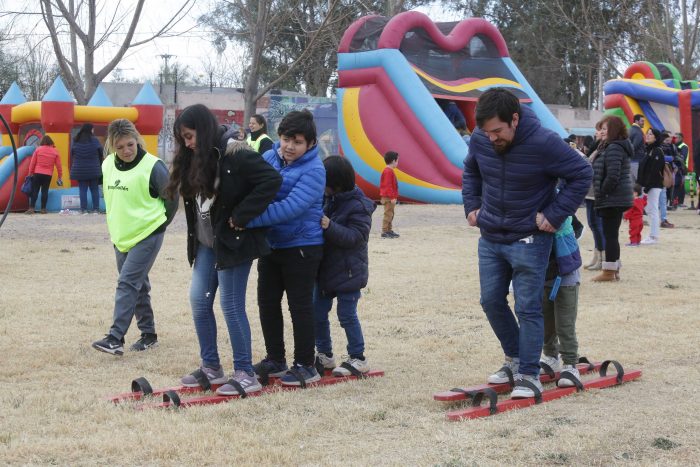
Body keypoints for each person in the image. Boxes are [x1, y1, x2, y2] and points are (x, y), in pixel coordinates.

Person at [462, 88, 592, 398]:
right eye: (486, 131)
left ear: (515, 119)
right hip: (491, 236)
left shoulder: (544, 142)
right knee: (490, 301)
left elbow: (581, 173)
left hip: (530, 239)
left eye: (498, 131)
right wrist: (471, 204)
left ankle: (529, 375)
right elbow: (471, 170)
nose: (492, 138)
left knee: (528, 307)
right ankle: (515, 358)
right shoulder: (482, 139)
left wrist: (555, 214)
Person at [167, 104, 282, 395]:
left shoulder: (236, 152)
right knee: (199, 302)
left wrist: (243, 215)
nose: (187, 144)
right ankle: (211, 368)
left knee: (231, 305)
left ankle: (245, 373)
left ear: (203, 131)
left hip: (233, 244)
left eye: (190, 137)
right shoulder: (195, 157)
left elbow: (271, 180)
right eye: (183, 139)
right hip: (207, 244)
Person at [246, 109, 326, 387]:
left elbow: (289, 208)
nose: (290, 146)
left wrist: (247, 219)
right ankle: (275, 359)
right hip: (272, 244)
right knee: (267, 302)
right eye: (285, 139)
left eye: (298, 141)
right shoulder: (269, 157)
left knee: (299, 305)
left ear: (311, 143)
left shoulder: (315, 170)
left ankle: (306, 364)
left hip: (302, 246)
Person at [91, 119, 178, 356]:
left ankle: (115, 337)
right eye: (120, 147)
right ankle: (148, 335)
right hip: (121, 236)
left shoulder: (153, 166)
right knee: (137, 286)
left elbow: (171, 198)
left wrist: (158, 225)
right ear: (112, 146)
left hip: (148, 234)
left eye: (130, 144)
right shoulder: (108, 163)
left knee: (127, 282)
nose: (126, 151)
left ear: (137, 140)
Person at [313, 156, 375, 377]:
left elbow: (356, 237)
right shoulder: (328, 199)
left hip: (349, 272)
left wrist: (330, 226)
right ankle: (325, 355)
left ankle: (358, 357)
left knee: (347, 315)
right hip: (325, 270)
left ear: (337, 184)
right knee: (317, 313)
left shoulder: (359, 206)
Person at [539, 214, 583, 387]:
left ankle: (570, 363)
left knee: (564, 323)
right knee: (545, 320)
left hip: (565, 273)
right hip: (542, 273)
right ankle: (550, 356)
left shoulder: (560, 203)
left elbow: (577, 227)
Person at [591, 115, 633, 282]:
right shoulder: (609, 146)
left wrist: (602, 193)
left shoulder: (614, 148)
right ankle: (613, 269)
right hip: (614, 197)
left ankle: (608, 271)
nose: (601, 131)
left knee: (610, 235)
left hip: (613, 198)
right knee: (611, 234)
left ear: (613, 130)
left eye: (605, 128)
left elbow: (613, 175)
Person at [583, 124, 605, 270]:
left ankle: (603, 258)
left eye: (602, 129)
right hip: (590, 192)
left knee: (598, 225)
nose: (598, 132)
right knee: (592, 224)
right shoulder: (597, 147)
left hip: (597, 192)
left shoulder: (607, 148)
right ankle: (596, 256)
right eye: (598, 129)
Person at [637, 128, 666, 245]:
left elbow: (654, 171)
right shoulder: (649, 150)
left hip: (654, 185)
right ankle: (653, 235)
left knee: (652, 210)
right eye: (647, 134)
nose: (647, 136)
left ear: (656, 137)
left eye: (650, 134)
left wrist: (647, 187)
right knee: (649, 209)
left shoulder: (657, 151)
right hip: (648, 185)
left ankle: (654, 236)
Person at [70, 123, 103, 214]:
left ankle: (83, 209)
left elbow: (72, 154)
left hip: (80, 170)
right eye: (93, 129)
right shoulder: (95, 140)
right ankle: (96, 209)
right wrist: (99, 163)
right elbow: (101, 153)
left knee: (82, 190)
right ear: (90, 130)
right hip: (93, 169)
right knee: (94, 189)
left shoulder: (75, 140)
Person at [26, 135, 63, 214]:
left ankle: (31, 208)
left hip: (37, 173)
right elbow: (59, 165)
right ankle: (43, 209)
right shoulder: (55, 151)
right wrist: (60, 176)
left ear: (42, 142)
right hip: (48, 174)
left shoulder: (38, 149)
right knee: (45, 191)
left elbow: (32, 163)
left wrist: (30, 173)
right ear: (51, 142)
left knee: (35, 190)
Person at [379, 151, 400, 239]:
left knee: (391, 214)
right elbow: (388, 186)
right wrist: (392, 197)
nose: (398, 163)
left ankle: (389, 230)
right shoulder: (388, 172)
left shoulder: (389, 171)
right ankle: (384, 231)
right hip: (388, 197)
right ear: (393, 161)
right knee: (388, 214)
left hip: (390, 197)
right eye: (397, 160)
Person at [628, 114, 646, 182]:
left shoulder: (629, 130)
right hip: (637, 161)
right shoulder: (638, 131)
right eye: (642, 121)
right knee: (640, 183)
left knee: (632, 185)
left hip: (630, 161)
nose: (643, 123)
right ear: (636, 121)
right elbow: (634, 146)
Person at [674, 132, 689, 207]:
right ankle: (676, 201)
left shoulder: (683, 146)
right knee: (676, 185)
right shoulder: (675, 146)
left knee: (680, 185)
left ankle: (680, 202)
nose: (675, 139)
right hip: (676, 168)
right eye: (675, 137)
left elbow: (683, 157)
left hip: (682, 168)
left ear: (681, 138)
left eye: (677, 137)